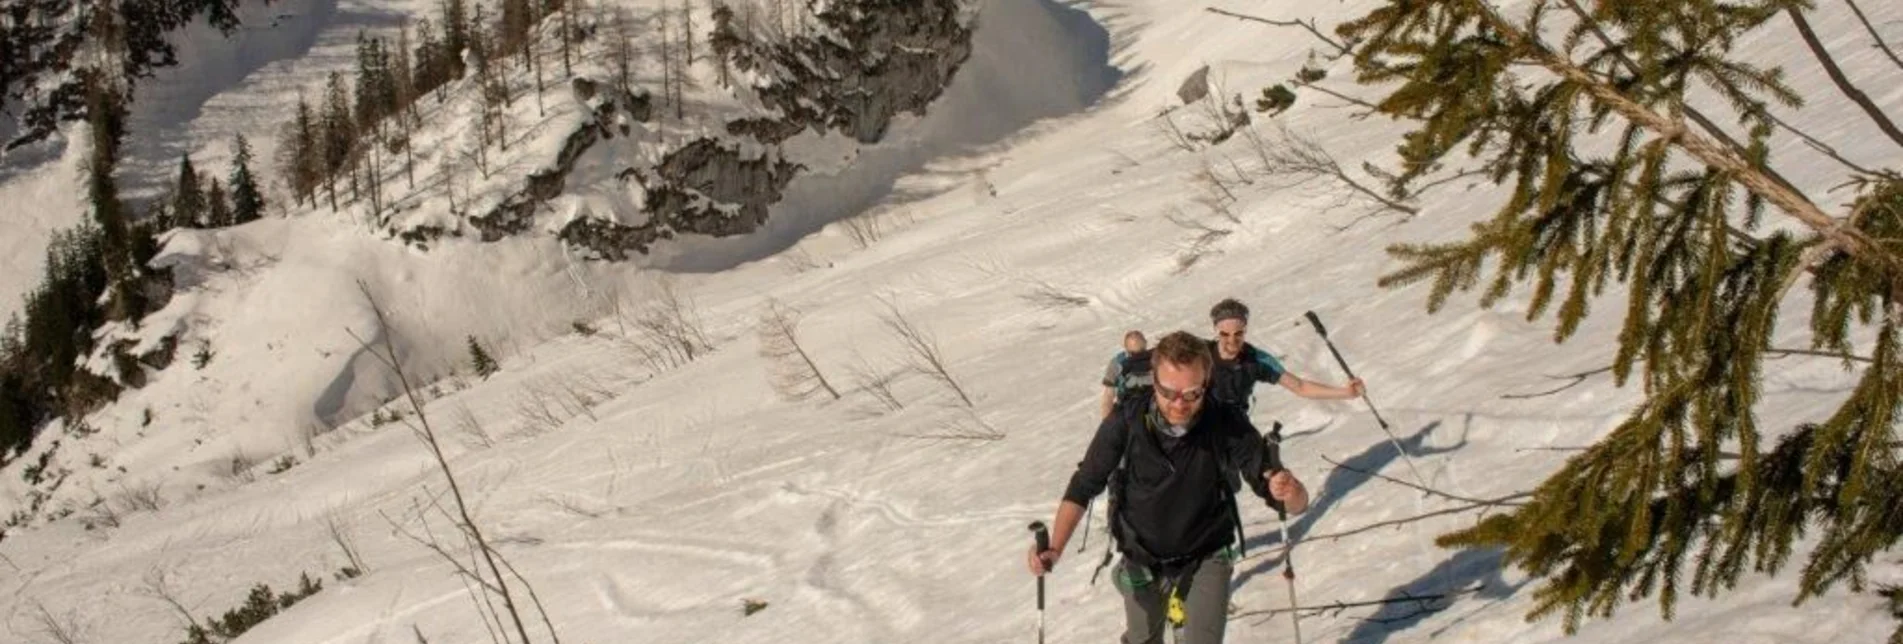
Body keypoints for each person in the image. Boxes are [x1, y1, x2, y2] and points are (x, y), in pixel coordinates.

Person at [1028, 331, 1311, 644]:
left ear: (1207, 381)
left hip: (1206, 553)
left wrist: (1289, 489)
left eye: (1192, 393)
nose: (1179, 403)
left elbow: (1292, 502)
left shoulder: (1224, 421)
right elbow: (1084, 484)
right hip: (1142, 555)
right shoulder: (1127, 420)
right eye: (1168, 392)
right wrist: (1054, 547)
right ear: (1154, 377)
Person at [1206, 298, 1364, 414]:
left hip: (1234, 430)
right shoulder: (1199, 353)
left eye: (1238, 333)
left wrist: (1347, 393)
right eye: (1225, 334)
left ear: (1245, 329)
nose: (1232, 340)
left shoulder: (1257, 360)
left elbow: (1300, 387)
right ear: (1215, 330)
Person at [1100, 330, 1154, 419]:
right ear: (1145, 343)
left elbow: (1108, 394)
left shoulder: (1117, 362)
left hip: (1126, 411)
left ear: (1125, 346)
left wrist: (1106, 422)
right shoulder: (1156, 359)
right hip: (1151, 410)